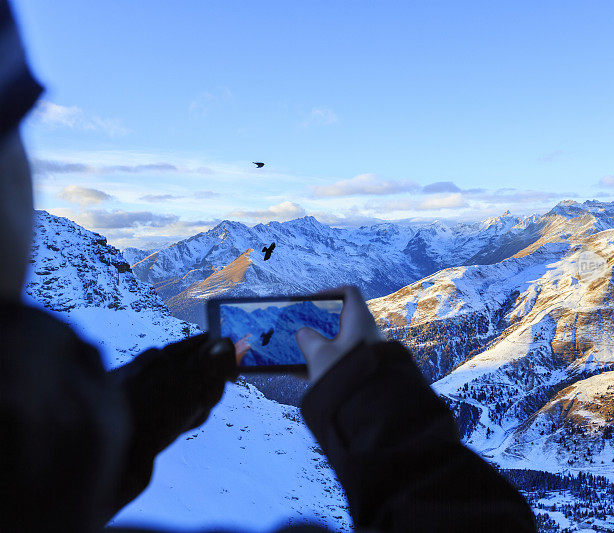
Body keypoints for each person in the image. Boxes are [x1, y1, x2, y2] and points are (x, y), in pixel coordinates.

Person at [0, 2, 537, 531]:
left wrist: (188, 378)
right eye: (17, 124)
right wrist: (375, 404)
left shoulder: (23, 452)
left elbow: (49, 461)